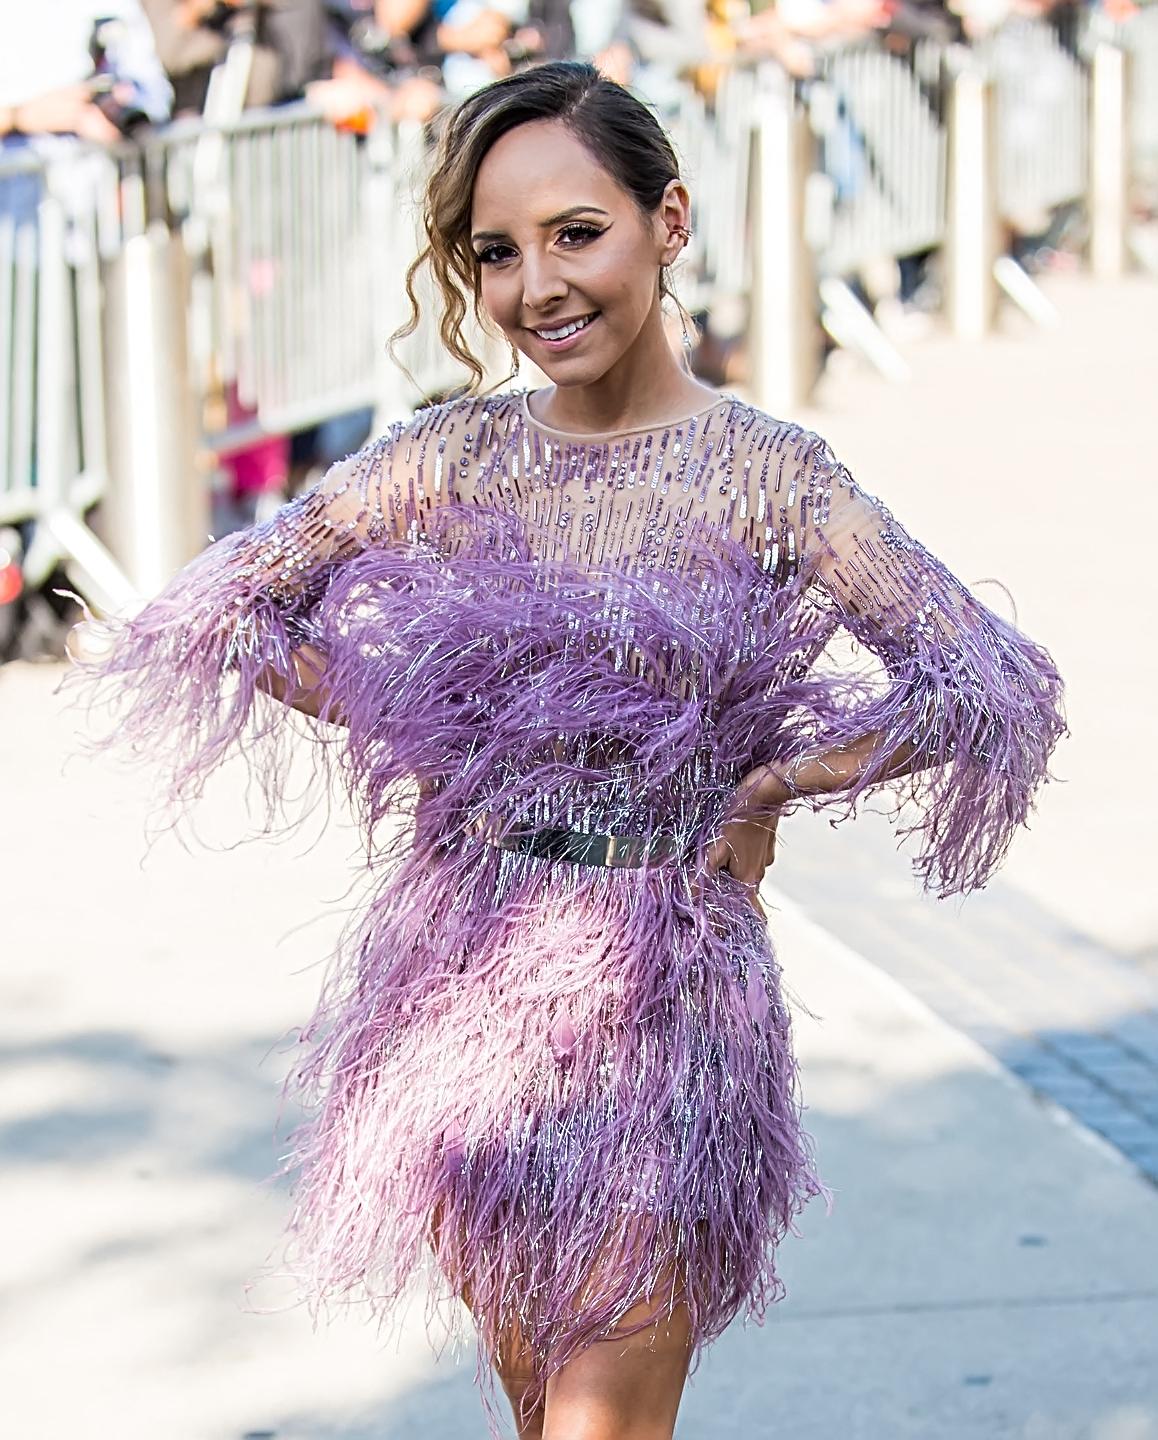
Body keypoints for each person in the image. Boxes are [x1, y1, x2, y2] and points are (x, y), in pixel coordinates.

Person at [64, 59, 1067, 1440]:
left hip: (668, 999)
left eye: (575, 233)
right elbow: (225, 603)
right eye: (495, 251)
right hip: (465, 985)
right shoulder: (447, 456)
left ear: (669, 222)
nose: (537, 285)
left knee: (596, 1420)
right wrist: (421, 724)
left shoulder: (771, 479)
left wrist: (775, 779)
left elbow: (984, 681)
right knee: (540, 1406)